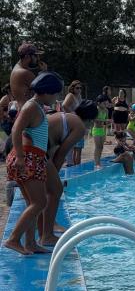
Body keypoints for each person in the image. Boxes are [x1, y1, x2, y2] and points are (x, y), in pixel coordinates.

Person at [3, 71, 62, 255]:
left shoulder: (37, 107)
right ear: (46, 92)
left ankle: (30, 243)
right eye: (55, 94)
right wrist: (20, 156)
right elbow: (15, 129)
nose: (56, 98)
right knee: (39, 202)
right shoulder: (31, 107)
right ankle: (13, 239)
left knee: (32, 203)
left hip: (33, 158)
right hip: (27, 159)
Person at [41, 102, 97, 245]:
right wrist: (54, 177)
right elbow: (61, 155)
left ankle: (47, 229)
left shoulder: (68, 117)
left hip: (33, 146)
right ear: (91, 119)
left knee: (47, 192)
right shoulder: (79, 127)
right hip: (35, 150)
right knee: (55, 189)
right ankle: (47, 235)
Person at [62, 80, 84, 165]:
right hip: (73, 123)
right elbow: (64, 105)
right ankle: (75, 168)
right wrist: (73, 114)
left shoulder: (79, 96)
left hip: (77, 122)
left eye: (80, 88)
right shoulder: (70, 95)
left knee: (77, 148)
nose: (79, 90)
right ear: (72, 88)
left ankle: (73, 167)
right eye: (77, 88)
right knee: (76, 148)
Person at [92, 95, 110, 169]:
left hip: (102, 130)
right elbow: (95, 120)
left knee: (101, 147)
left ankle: (98, 161)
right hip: (96, 130)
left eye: (106, 103)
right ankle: (96, 163)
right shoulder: (96, 109)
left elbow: (105, 121)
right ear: (98, 103)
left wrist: (109, 122)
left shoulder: (106, 110)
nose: (105, 104)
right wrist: (105, 121)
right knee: (97, 147)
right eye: (104, 103)